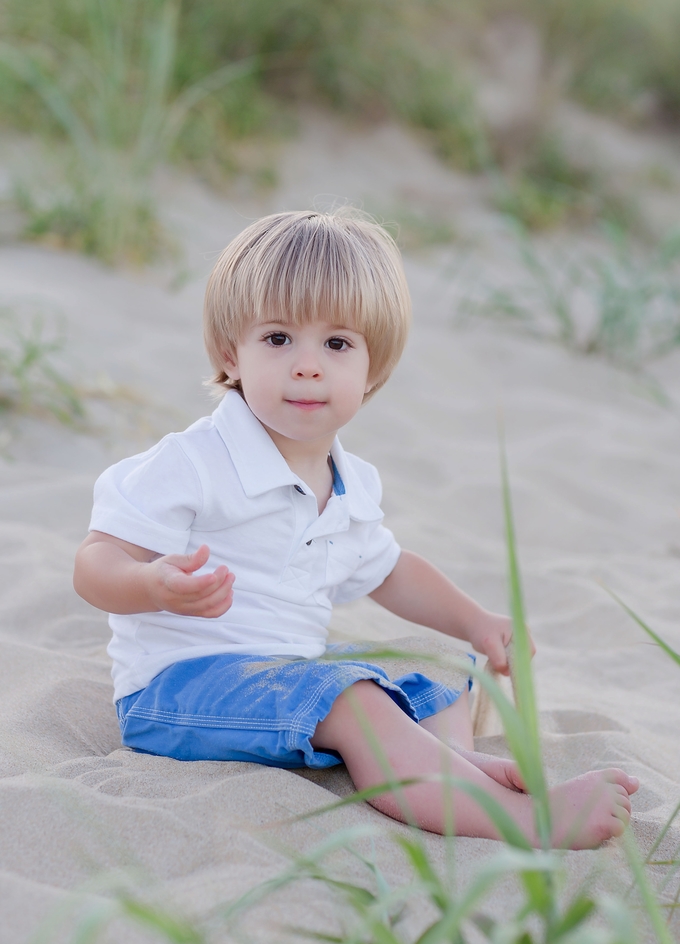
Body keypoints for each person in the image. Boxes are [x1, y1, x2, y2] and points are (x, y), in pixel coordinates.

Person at [73, 209, 638, 848]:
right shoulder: (194, 462)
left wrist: (477, 622)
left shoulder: (352, 482)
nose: (307, 366)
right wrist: (151, 584)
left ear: (372, 369)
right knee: (356, 699)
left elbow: (391, 570)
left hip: (293, 677)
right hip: (180, 690)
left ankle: (450, 767)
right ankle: (523, 821)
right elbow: (96, 561)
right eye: (279, 338)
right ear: (232, 351)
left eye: (336, 344)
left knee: (441, 666)